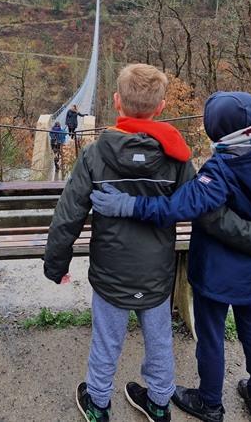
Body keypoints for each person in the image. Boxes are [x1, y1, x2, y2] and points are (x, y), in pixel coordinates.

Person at [91, 92, 251, 422]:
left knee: (211, 335)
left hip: (216, 271)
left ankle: (209, 402)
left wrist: (127, 205)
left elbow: (178, 206)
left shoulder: (221, 169)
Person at [45, 63, 195, 422]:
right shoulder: (176, 158)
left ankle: (98, 404)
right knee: (159, 341)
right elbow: (193, 204)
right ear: (161, 107)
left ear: (117, 101)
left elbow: (68, 215)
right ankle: (159, 403)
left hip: (111, 274)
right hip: (156, 274)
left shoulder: (95, 155)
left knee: (106, 340)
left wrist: (56, 264)